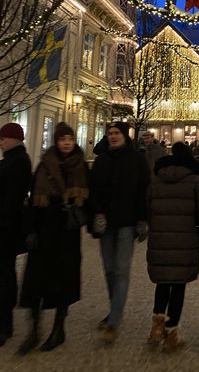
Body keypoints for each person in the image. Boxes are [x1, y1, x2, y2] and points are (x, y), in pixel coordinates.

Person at [18, 122, 89, 355]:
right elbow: (32, 201)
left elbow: (90, 199)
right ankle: (34, 330)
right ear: (56, 142)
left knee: (63, 281)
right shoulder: (44, 165)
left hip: (67, 233)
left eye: (70, 139)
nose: (67, 143)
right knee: (35, 281)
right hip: (43, 231)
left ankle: (59, 329)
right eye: (62, 139)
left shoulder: (80, 166)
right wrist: (30, 230)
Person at [147, 142, 199, 352]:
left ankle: (157, 327)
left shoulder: (157, 179)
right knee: (178, 285)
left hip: (160, 237)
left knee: (163, 282)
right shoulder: (195, 180)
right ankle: (172, 332)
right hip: (184, 238)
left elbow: (147, 205)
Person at [89, 121, 150, 344]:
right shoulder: (101, 161)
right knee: (109, 270)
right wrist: (96, 213)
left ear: (125, 136)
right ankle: (115, 309)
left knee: (121, 270)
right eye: (110, 134)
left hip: (127, 222)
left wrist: (143, 219)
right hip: (105, 223)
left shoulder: (137, 160)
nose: (113, 136)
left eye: (116, 133)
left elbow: (144, 190)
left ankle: (114, 321)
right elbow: (92, 190)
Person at [0, 123, 32, 347]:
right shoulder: (10, 160)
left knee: (4, 274)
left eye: (4, 138)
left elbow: (11, 198)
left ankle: (5, 322)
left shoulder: (18, 161)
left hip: (6, 228)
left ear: (15, 139)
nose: (1, 141)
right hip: (6, 227)